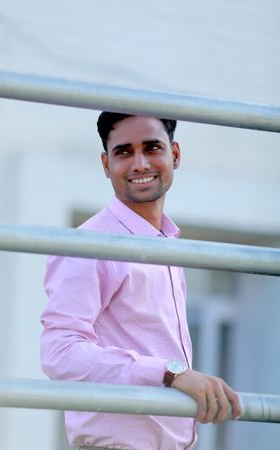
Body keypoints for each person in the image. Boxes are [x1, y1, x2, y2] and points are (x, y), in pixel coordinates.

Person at [40, 113, 241, 450]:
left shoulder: (167, 243)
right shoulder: (90, 243)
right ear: (106, 164)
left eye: (152, 148)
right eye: (123, 152)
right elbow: (60, 354)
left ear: (174, 155)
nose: (139, 163)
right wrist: (171, 372)